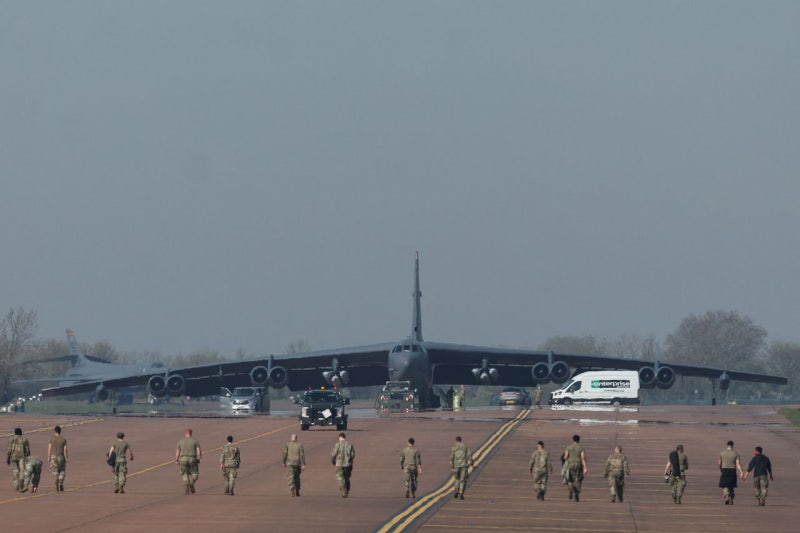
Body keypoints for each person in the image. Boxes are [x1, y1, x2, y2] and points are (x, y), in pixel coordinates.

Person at [176, 428, 202, 495]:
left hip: (183, 459)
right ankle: (191, 483)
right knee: (195, 473)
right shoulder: (194, 441)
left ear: (185, 433)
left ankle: (186, 487)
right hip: (192, 459)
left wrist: (177, 459)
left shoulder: (181, 441)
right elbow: (198, 450)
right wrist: (200, 458)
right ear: (191, 433)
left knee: (185, 474)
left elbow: (178, 451)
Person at [562, 434, 588, 502]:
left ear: (573, 440)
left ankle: (571, 489)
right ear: (579, 440)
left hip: (570, 465)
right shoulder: (581, 448)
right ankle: (576, 492)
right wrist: (585, 468)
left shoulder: (568, 447)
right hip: (578, 465)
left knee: (570, 479)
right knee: (578, 479)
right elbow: (583, 458)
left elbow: (565, 457)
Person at [718, 440, 743, 505]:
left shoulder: (722, 453)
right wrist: (741, 472)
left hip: (725, 470)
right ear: (732, 446)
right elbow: (738, 464)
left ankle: (726, 495)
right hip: (732, 471)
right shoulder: (736, 454)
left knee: (725, 485)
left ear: (727, 445)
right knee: (731, 486)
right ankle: (731, 498)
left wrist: (721, 469)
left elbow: (719, 463)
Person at [6, 427, 30, 492]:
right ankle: (21, 485)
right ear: (21, 432)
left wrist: (8, 459)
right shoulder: (24, 440)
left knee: (15, 471)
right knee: (22, 470)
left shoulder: (11, 440)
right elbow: (27, 451)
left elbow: (9, 450)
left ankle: (16, 485)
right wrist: (28, 458)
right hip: (22, 457)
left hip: (13, 457)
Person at [331, 432, 355, 497]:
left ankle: (344, 491)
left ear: (339, 437)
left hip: (339, 464)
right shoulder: (350, 444)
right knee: (347, 477)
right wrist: (350, 463)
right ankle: (347, 489)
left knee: (340, 478)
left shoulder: (337, 445)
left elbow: (334, 454)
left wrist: (333, 461)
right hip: (348, 464)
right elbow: (352, 455)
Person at [450, 436, 474, 500]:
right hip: (464, 465)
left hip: (456, 465)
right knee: (463, 479)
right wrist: (471, 463)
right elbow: (469, 455)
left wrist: (452, 466)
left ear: (456, 440)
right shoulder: (465, 447)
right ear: (461, 440)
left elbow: (452, 457)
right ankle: (461, 493)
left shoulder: (454, 447)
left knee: (457, 479)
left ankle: (456, 490)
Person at [48, 425, 68, 492]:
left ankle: (56, 485)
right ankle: (61, 483)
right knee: (62, 471)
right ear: (60, 431)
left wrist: (49, 457)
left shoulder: (51, 439)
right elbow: (65, 450)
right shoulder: (63, 440)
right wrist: (66, 458)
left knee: (55, 471)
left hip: (53, 457)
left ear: (55, 431)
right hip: (61, 457)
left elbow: (49, 449)